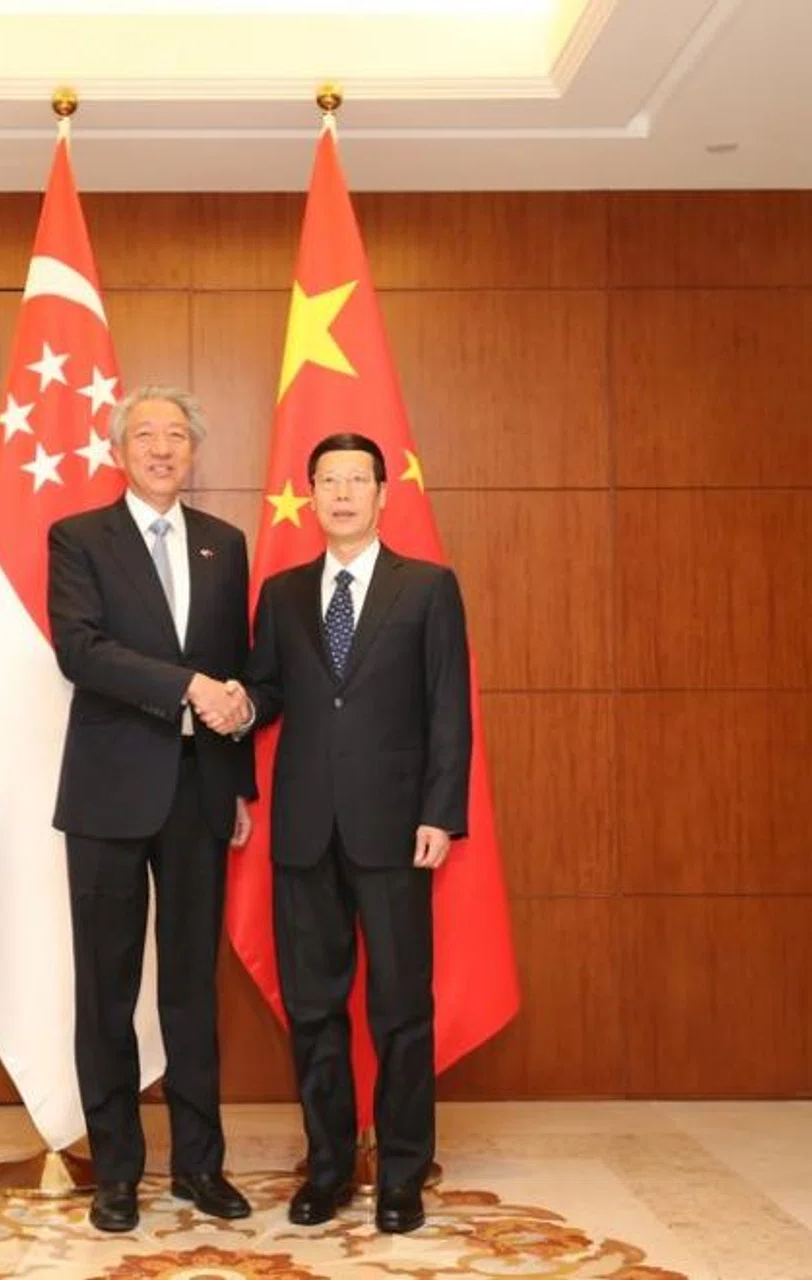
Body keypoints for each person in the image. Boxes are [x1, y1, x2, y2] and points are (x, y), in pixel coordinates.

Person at [238, 430, 471, 1236]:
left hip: (397, 828)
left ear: (382, 493)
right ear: (309, 496)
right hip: (304, 830)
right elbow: (266, 695)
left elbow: (448, 707)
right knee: (313, 1009)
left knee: (402, 1008)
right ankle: (328, 1169)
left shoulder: (428, 588)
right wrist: (231, 705)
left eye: (356, 480)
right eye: (327, 480)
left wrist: (441, 811)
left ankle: (402, 1175)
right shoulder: (282, 592)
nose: (341, 493)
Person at [47, 385, 257, 1233]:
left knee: (191, 992)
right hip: (106, 792)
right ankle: (118, 1172)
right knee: (106, 989)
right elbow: (81, 650)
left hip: (199, 792)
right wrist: (187, 687)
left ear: (195, 452)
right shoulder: (79, 538)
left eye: (177, 434)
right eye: (146, 435)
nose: (163, 447)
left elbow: (234, 666)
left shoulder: (224, 545)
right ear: (119, 449)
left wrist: (237, 776)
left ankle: (199, 1167)